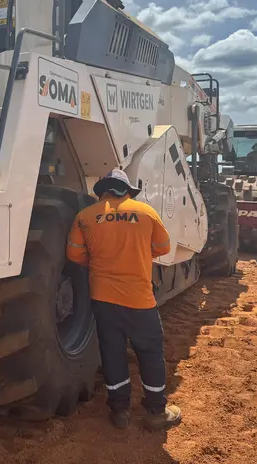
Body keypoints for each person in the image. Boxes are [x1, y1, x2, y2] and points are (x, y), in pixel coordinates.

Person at [66, 168, 180, 431]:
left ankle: (120, 411)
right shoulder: (146, 212)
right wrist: (138, 251)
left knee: (112, 353)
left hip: (103, 299)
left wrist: (97, 261)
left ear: (102, 191)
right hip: (140, 299)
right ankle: (155, 412)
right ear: (127, 190)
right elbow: (163, 248)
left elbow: (74, 255)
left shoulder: (85, 216)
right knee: (150, 352)